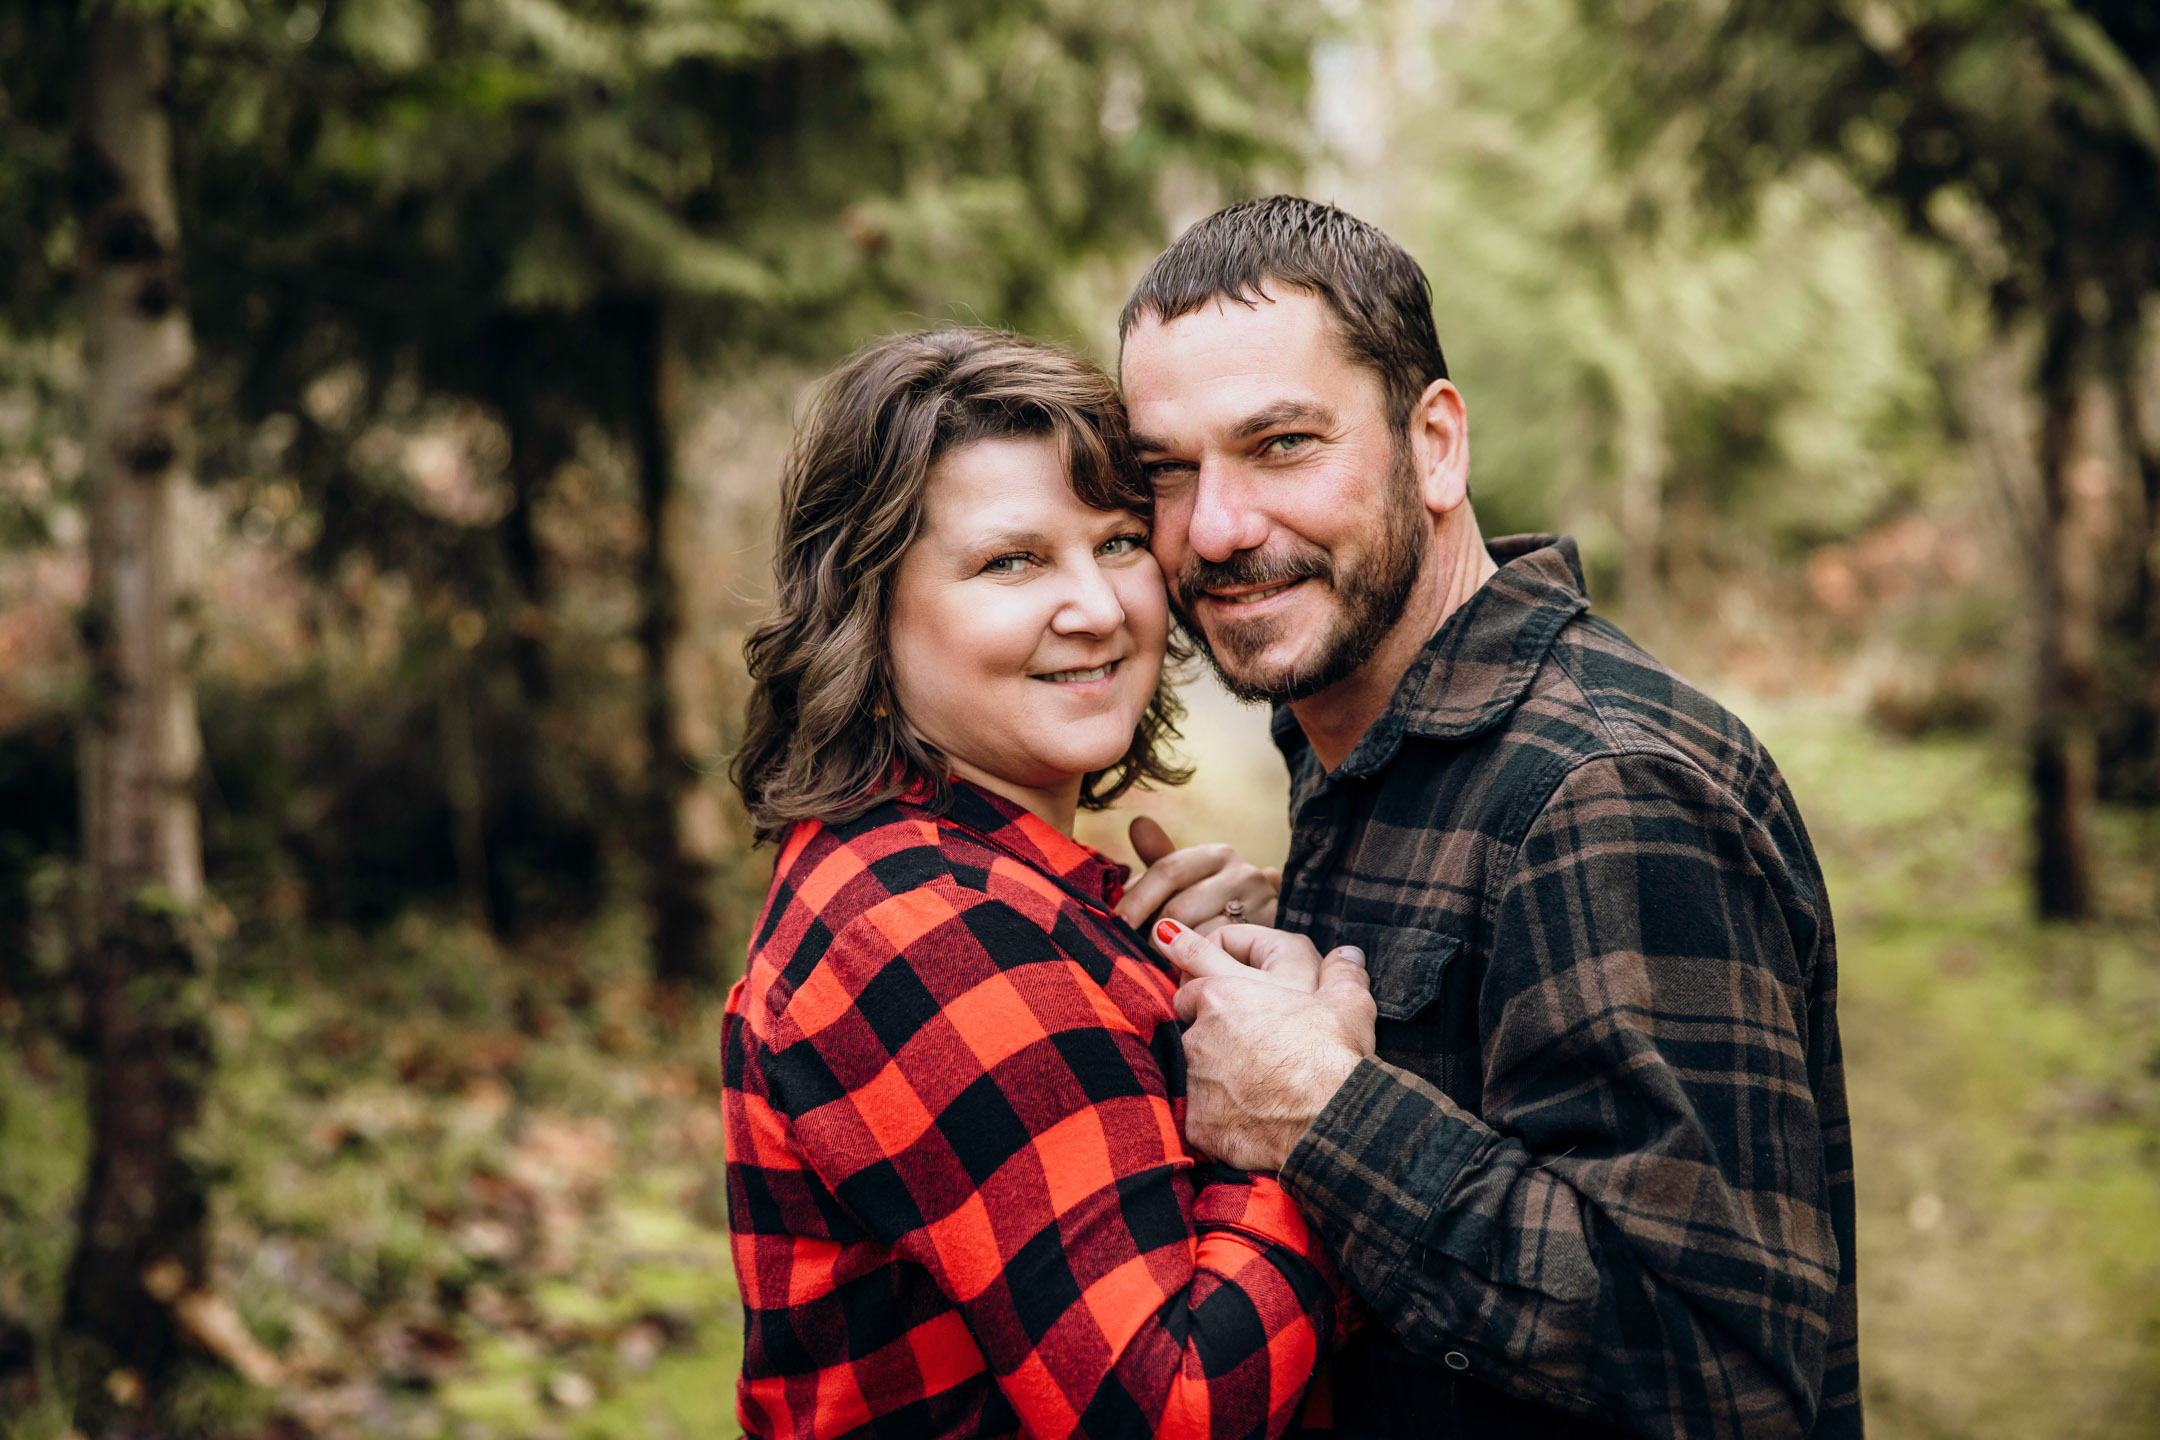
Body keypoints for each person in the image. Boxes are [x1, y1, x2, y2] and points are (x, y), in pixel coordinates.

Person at [1112, 197, 1861, 1440]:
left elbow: (1727, 1375)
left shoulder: (1604, 789)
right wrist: (1275, 937)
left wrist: (1316, 1112)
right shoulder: (1367, 749)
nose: (1217, 527)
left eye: (1284, 445)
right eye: (1166, 472)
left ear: (1436, 446)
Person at [722, 327, 1343, 1438]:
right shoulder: (925, 930)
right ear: (866, 619)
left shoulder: (978, 881)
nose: (1098, 609)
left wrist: (1181, 971)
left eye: (1114, 542)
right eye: (1011, 561)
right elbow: (1175, 1408)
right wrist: (1311, 1102)